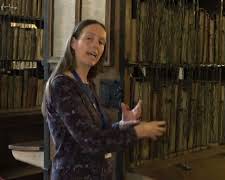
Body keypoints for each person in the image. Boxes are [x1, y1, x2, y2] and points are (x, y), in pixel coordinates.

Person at [42, 19, 166, 179]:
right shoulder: (62, 84)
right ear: (73, 42)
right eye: (89, 38)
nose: (96, 45)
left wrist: (123, 125)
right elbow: (91, 141)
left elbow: (99, 133)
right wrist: (138, 132)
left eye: (101, 42)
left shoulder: (88, 83)